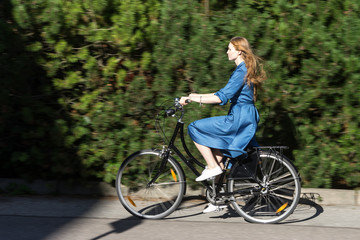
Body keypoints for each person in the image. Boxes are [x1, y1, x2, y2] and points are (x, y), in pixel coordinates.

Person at [180, 36, 266, 213]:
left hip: (239, 118)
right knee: (219, 153)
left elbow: (221, 98)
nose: (227, 52)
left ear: (239, 51)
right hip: (243, 116)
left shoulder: (241, 71)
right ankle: (218, 198)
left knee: (194, 127)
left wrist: (194, 99)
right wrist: (193, 96)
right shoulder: (243, 69)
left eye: (229, 49)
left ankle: (211, 167)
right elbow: (222, 93)